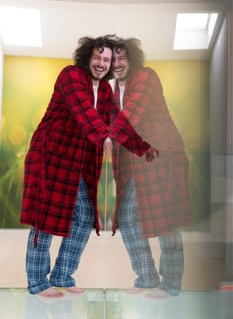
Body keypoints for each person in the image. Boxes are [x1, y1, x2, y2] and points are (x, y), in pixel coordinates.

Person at [20, 35, 116, 298]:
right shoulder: (71, 76)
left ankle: (62, 274)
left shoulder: (106, 91)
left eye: (106, 59)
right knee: (46, 219)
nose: (101, 63)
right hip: (50, 154)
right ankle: (38, 282)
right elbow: (83, 110)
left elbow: (113, 122)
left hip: (78, 162)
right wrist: (104, 135)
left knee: (84, 216)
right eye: (97, 57)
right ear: (87, 56)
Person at [110, 37, 191, 297]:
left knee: (166, 220)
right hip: (138, 159)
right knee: (127, 216)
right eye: (113, 59)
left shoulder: (145, 77)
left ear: (133, 59)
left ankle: (171, 285)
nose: (118, 63)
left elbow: (129, 116)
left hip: (162, 155)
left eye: (123, 57)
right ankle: (146, 277)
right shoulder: (114, 90)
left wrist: (103, 135)